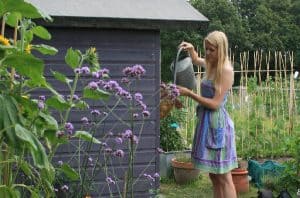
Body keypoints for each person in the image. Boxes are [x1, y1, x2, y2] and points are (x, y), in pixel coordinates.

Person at [178, 31, 238, 198]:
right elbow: (197, 61)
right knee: (213, 174)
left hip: (217, 125)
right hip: (207, 123)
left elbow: (215, 103)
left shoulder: (225, 70)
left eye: (211, 50)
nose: (208, 53)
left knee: (224, 176)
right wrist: (191, 49)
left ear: (221, 49)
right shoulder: (212, 63)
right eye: (206, 49)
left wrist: (190, 94)